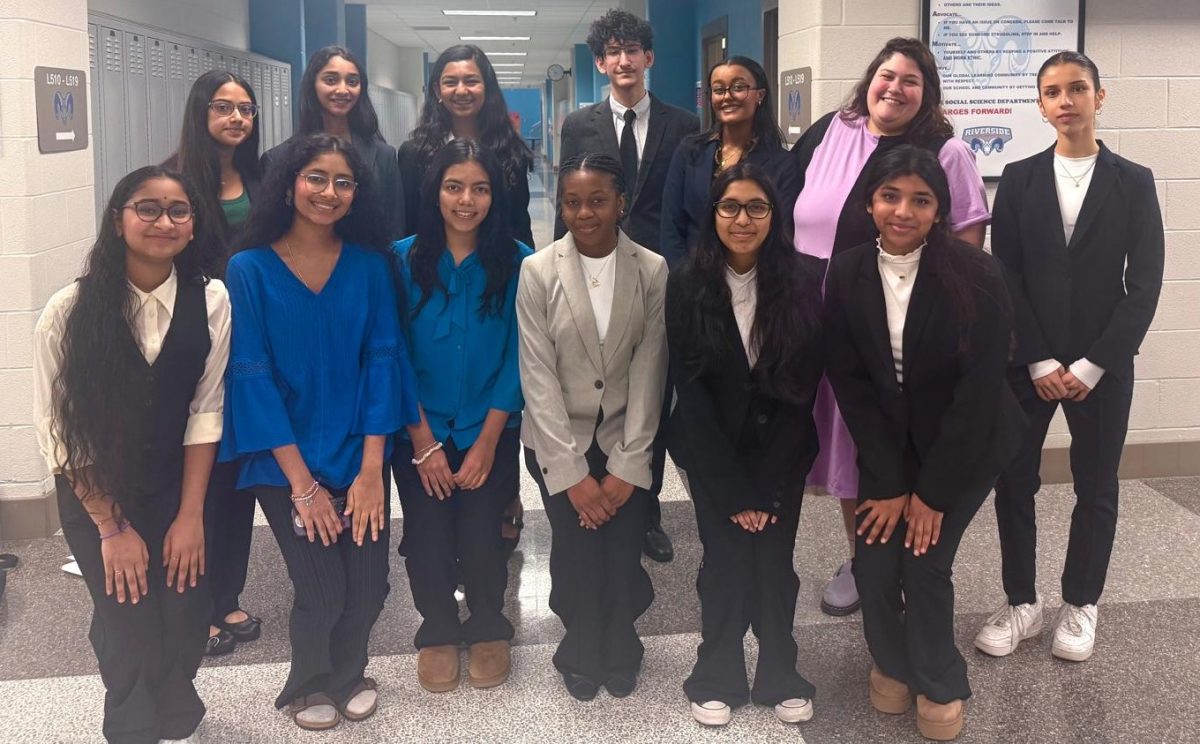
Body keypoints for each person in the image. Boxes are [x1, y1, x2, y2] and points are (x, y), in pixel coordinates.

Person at [824, 146, 1024, 741]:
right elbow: (851, 384)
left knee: (924, 559)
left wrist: (930, 494)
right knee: (875, 560)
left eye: (921, 200)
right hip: (888, 445)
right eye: (890, 196)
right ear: (869, 202)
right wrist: (886, 484)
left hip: (967, 442)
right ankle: (891, 662)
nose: (903, 211)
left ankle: (939, 679)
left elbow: (980, 392)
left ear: (940, 211)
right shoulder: (847, 270)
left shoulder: (977, 275)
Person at [220, 133, 419, 730]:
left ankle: (348, 673)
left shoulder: (369, 266)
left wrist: (370, 471)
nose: (328, 192)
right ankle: (308, 682)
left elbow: (384, 358)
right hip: (285, 462)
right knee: (322, 588)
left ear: (357, 195)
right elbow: (250, 375)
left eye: (343, 182)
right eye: (315, 178)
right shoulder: (247, 269)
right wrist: (303, 487)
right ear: (288, 184)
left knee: (370, 588)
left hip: (360, 451)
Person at [974, 51, 1164, 663]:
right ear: (1040, 104)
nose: (1065, 101)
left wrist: (1090, 365)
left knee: (1096, 484)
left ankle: (1081, 603)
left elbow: (1147, 285)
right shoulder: (1020, 176)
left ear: (1098, 98)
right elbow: (1007, 274)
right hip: (1027, 365)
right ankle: (1021, 600)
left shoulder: (1133, 181)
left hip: (1101, 368)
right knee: (1015, 481)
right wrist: (1036, 359)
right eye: (1052, 91)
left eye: (1077, 89)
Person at [791, 37, 990, 617]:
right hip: (814, 314)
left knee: (874, 438)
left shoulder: (943, 150)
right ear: (869, 79)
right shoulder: (834, 128)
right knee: (843, 444)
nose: (894, 88)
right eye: (887, 74)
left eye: (911, 80)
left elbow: (967, 245)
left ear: (926, 94)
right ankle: (862, 556)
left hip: (890, 324)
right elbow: (785, 198)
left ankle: (892, 560)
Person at [33, 166, 229, 744]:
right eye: (147, 208)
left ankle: (173, 708)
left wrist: (190, 516)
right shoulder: (68, 311)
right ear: (117, 220)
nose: (163, 222)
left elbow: (205, 412)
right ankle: (131, 724)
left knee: (189, 612)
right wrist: (110, 526)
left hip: (178, 485)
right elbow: (62, 431)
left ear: (194, 227)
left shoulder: (211, 299)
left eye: (178, 211)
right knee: (127, 615)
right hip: (98, 490)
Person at [666, 163, 823, 727]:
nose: (742, 219)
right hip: (713, 456)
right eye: (729, 206)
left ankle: (781, 671)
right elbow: (691, 391)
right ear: (713, 215)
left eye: (757, 207)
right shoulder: (686, 282)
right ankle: (717, 672)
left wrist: (765, 488)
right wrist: (735, 491)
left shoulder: (806, 278)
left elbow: (802, 391)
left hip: (783, 453)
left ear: (774, 217)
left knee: (776, 566)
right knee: (725, 563)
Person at [518, 153, 667, 702]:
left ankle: (622, 645)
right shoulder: (537, 271)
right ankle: (580, 648)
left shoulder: (651, 269)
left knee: (622, 550)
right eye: (573, 202)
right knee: (576, 553)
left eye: (598, 200)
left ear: (620, 202)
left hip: (626, 440)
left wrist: (630, 465)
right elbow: (537, 377)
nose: (585, 212)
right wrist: (571, 474)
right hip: (559, 443)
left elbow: (651, 372)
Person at [555, 7, 698, 564]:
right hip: (597, 267)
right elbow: (573, 199)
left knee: (653, 394)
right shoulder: (579, 124)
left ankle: (647, 511)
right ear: (600, 61)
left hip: (659, 276)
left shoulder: (683, 125)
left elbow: (686, 207)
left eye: (631, 50)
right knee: (604, 386)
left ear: (648, 57)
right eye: (611, 52)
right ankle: (595, 481)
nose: (622, 60)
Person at [393, 139, 531, 693]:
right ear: (435, 192)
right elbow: (392, 351)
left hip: (488, 428)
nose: (466, 200)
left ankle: (489, 623)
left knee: (482, 534)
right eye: (454, 187)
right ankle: (438, 629)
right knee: (425, 537)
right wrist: (422, 439)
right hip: (419, 428)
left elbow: (522, 354)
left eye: (479, 188)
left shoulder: (519, 261)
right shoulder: (401, 259)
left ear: (495, 196)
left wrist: (489, 440)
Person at [165, 68, 265, 658]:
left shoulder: (260, 177)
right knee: (194, 480)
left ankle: (227, 592)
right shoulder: (175, 179)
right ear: (201, 112)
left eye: (246, 110)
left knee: (236, 476)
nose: (236, 119)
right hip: (196, 345)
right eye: (224, 108)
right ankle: (193, 604)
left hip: (249, 346)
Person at [660, 56, 798, 268]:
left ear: (759, 95)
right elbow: (671, 226)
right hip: (693, 277)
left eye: (738, 87)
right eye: (718, 90)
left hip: (756, 279)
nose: (727, 97)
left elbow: (781, 233)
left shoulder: (783, 164)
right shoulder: (690, 152)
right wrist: (683, 278)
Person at [262, 46, 405, 240]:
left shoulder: (383, 156)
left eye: (352, 81)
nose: (343, 89)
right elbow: (272, 227)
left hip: (368, 264)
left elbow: (395, 226)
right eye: (331, 80)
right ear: (313, 85)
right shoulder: (278, 158)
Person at [398, 45, 534, 247]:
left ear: (487, 88)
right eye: (451, 82)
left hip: (497, 269)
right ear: (437, 90)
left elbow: (519, 226)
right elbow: (410, 224)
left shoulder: (510, 152)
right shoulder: (414, 154)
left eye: (471, 81)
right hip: (429, 269)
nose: (461, 91)